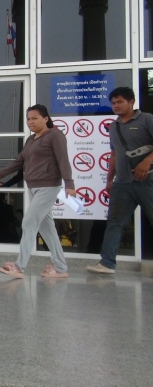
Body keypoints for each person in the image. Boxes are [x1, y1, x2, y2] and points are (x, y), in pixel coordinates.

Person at [0, 104, 76, 279]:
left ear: (46, 119)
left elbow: (63, 160)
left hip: (48, 186)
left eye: (35, 118)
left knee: (28, 222)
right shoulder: (31, 140)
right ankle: (60, 268)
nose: (30, 122)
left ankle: (19, 267)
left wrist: (69, 184)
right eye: (28, 119)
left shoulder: (55, 136)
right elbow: (18, 162)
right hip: (33, 187)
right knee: (47, 229)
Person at [88, 87, 153, 274]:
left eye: (120, 102)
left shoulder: (146, 119)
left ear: (131, 102)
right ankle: (107, 263)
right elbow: (114, 154)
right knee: (114, 222)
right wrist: (110, 179)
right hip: (122, 183)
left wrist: (146, 162)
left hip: (147, 180)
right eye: (113, 103)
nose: (116, 106)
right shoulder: (113, 126)